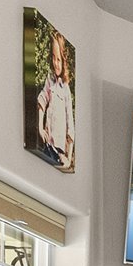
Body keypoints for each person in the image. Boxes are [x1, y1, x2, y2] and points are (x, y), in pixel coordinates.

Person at [35, 35, 76, 168]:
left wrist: (69, 159)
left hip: (59, 152)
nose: (55, 63)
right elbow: (42, 100)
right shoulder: (50, 79)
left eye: (58, 59)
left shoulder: (66, 90)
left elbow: (70, 124)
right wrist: (40, 127)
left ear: (64, 61)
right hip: (47, 146)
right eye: (53, 57)